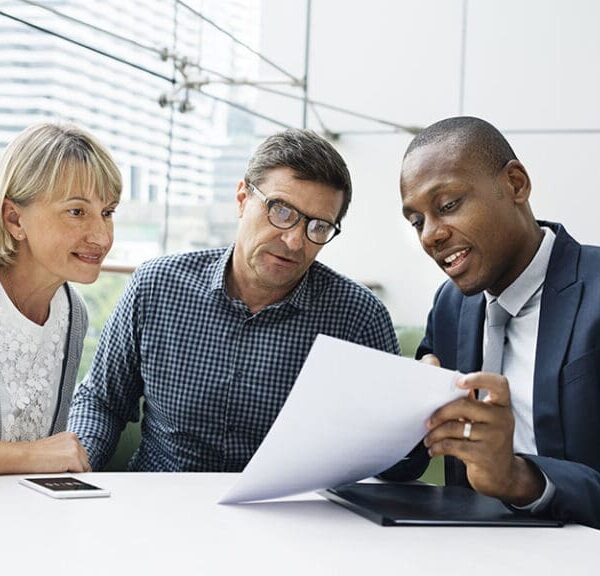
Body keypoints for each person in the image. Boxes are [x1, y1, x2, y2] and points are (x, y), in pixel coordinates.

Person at [68, 128, 399, 472]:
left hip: (288, 517)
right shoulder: (156, 286)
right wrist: (75, 468)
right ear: (243, 198)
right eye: (281, 211)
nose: (294, 241)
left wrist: (417, 422)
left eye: (317, 227)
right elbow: (101, 402)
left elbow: (393, 455)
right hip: (159, 505)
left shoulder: (358, 317)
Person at [384, 115, 600, 528]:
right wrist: (396, 415)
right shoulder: (450, 306)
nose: (429, 236)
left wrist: (521, 479)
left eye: (447, 206)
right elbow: (410, 461)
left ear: (515, 184)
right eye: (416, 222)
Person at [0, 122, 121, 474]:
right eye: (76, 211)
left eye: (108, 212)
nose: (100, 236)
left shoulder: (72, 314)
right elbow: (43, 454)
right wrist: (30, 456)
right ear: (14, 219)